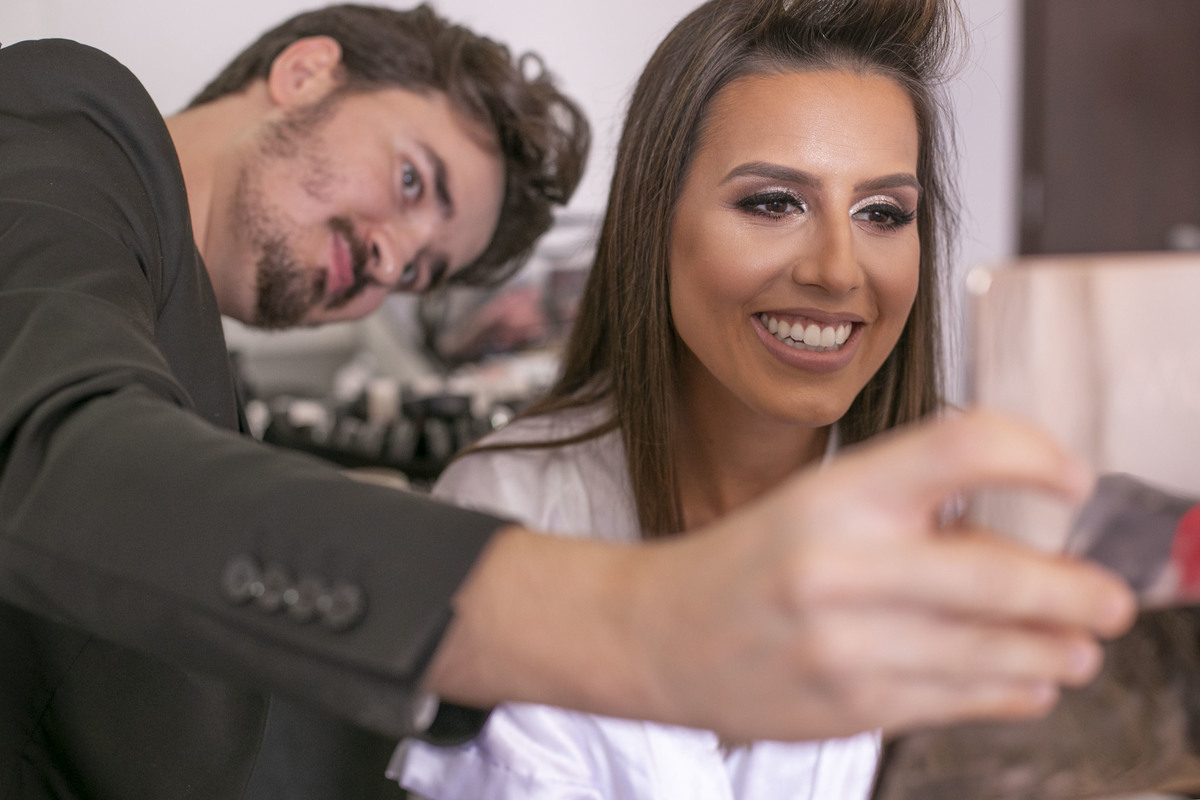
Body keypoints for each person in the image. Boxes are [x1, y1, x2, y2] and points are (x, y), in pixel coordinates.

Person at [0, 2, 1135, 799]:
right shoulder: (69, 114)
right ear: (307, 71)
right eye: (414, 181)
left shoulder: (186, 362)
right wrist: (624, 618)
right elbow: (55, 450)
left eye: (425, 267)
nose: (391, 257)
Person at [392, 0, 1130, 797]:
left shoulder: (994, 524)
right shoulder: (509, 510)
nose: (838, 271)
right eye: (774, 203)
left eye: (883, 213)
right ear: (654, 220)